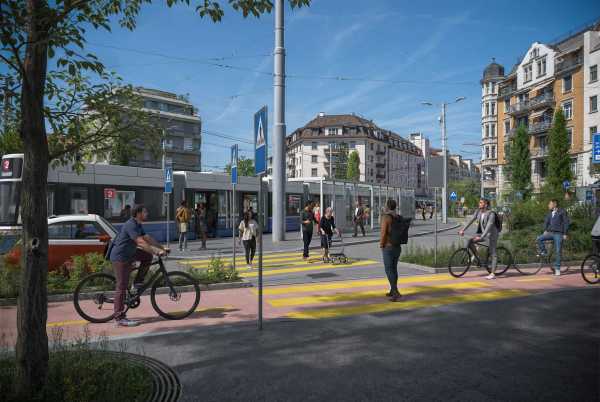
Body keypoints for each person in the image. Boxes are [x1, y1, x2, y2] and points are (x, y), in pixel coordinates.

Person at [109, 205, 168, 327]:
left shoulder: (138, 224)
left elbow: (147, 238)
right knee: (121, 286)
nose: (147, 213)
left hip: (129, 253)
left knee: (147, 257)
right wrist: (156, 251)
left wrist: (162, 247)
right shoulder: (131, 224)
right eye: (145, 211)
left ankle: (137, 282)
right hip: (121, 256)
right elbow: (140, 242)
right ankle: (119, 317)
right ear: (138, 213)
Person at [459, 198, 499, 280]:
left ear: (486, 204)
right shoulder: (478, 212)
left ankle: (492, 273)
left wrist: (482, 236)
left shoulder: (491, 214)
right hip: (483, 233)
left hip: (492, 234)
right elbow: (471, 220)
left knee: (493, 252)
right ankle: (478, 259)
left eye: (481, 203)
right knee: (470, 241)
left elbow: (489, 226)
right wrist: (463, 229)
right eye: (479, 203)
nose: (479, 204)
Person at [536, 199, 570, 276]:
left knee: (558, 251)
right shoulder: (550, 213)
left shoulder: (562, 212)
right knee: (539, 238)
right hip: (550, 233)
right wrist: (545, 230)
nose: (548, 205)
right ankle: (544, 251)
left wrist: (565, 233)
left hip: (559, 234)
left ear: (554, 204)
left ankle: (557, 269)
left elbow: (566, 222)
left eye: (550, 204)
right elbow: (546, 222)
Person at [380, 199, 403, 302]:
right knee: (394, 269)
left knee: (388, 270)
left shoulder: (386, 217)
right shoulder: (398, 217)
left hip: (388, 247)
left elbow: (384, 233)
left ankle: (394, 292)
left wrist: (381, 244)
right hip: (397, 246)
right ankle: (394, 289)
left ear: (387, 206)